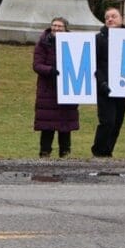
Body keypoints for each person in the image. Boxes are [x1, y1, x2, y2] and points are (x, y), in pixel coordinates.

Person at [32, 17, 79, 158]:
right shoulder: (42, 43)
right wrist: (50, 70)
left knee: (65, 125)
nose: (56, 28)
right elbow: (37, 65)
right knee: (47, 126)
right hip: (48, 90)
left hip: (67, 89)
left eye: (59, 26)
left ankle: (65, 153)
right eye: (54, 25)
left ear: (65, 28)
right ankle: (45, 153)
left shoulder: (74, 44)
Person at [92, 7, 125, 157]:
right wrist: (102, 83)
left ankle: (108, 152)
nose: (110, 19)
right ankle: (98, 151)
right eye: (107, 17)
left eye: (114, 16)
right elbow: (94, 64)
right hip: (104, 88)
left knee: (117, 123)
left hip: (123, 87)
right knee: (107, 122)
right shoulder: (99, 38)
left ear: (121, 19)